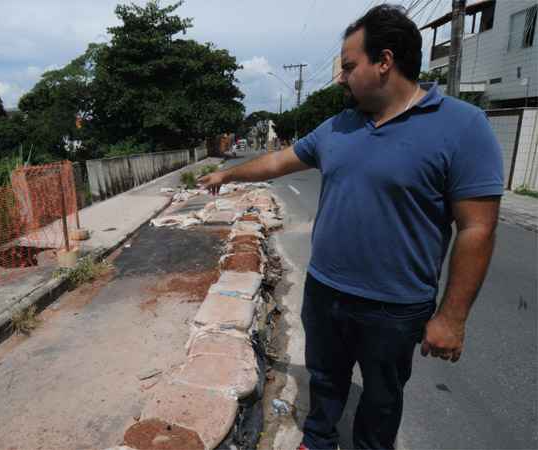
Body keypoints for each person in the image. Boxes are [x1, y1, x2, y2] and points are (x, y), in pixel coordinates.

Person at [199, 5, 503, 450]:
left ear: (384, 61)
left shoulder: (462, 126)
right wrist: (228, 175)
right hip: (326, 291)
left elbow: (477, 229)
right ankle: (319, 440)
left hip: (395, 307)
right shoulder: (339, 126)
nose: (340, 78)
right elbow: (280, 161)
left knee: (381, 400)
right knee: (325, 380)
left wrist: (452, 318)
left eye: (348, 66)